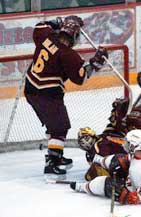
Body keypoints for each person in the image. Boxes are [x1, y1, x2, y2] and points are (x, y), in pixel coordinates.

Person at [24, 15, 108, 178]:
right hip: (47, 94)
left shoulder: (45, 36)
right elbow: (80, 78)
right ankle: (53, 162)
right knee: (60, 127)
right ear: (75, 36)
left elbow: (39, 26)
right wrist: (95, 64)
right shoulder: (68, 55)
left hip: (30, 90)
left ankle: (56, 154)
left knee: (54, 124)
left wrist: (56, 22)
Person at [77, 71, 141, 181]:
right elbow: (95, 172)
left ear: (92, 134)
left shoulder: (103, 136)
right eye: (82, 141)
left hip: (138, 144)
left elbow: (114, 127)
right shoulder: (92, 154)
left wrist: (117, 113)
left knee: (135, 119)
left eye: (86, 138)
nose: (85, 142)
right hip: (134, 157)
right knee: (137, 120)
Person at [71, 129, 141, 205]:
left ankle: (82, 187)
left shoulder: (137, 171)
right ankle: (101, 160)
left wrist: (127, 196)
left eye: (127, 143)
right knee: (119, 160)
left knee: (105, 183)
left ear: (133, 146)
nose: (125, 144)